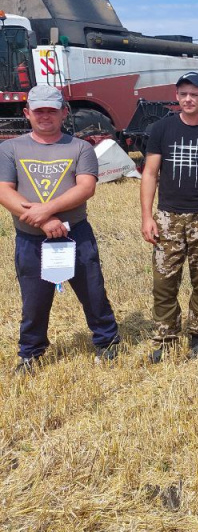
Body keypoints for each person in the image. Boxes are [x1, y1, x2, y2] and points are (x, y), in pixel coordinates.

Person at [0, 85, 120, 373]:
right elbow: (4, 191)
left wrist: (47, 209)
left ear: (64, 113)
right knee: (34, 299)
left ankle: (107, 341)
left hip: (75, 234)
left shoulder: (80, 148)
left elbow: (86, 188)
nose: (45, 116)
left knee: (92, 291)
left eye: (51, 111)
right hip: (30, 238)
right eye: (39, 110)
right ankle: (31, 352)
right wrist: (43, 220)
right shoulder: (9, 148)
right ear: (27, 113)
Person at [141, 71, 198, 363]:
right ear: (176, 95)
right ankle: (166, 337)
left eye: (194, 94)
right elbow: (149, 173)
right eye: (183, 94)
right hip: (169, 217)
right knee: (164, 281)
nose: (188, 99)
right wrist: (147, 216)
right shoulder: (161, 129)